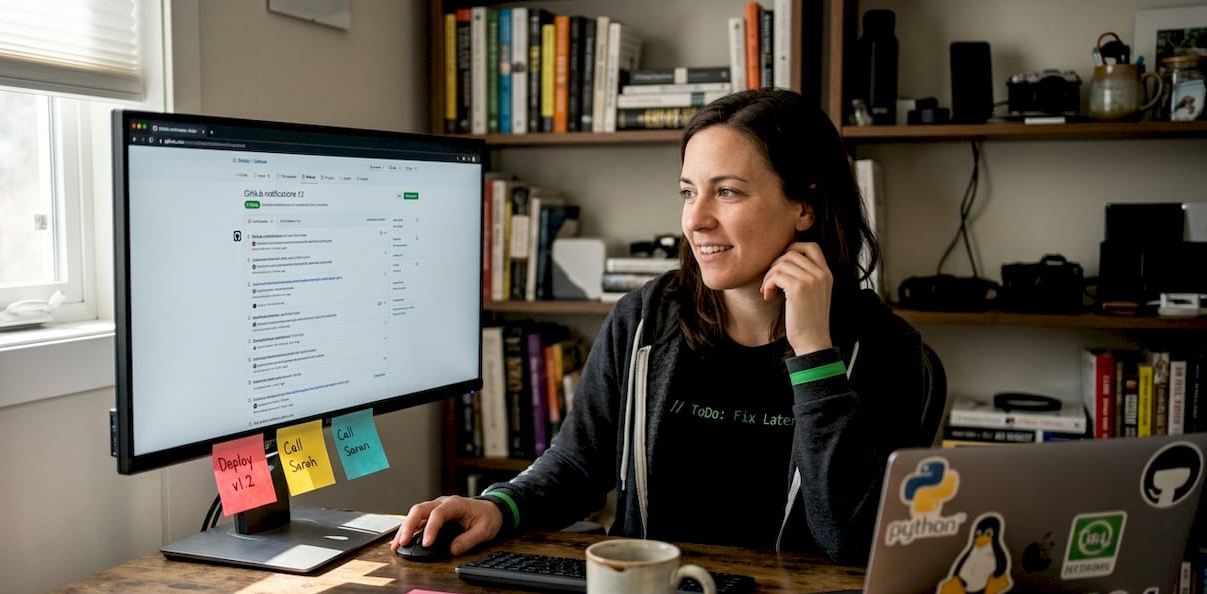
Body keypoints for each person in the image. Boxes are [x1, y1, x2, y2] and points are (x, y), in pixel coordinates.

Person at [394, 88, 926, 568]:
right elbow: (579, 463)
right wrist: (498, 506)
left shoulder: (886, 350)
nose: (696, 220)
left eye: (729, 192)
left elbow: (853, 540)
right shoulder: (647, 318)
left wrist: (813, 354)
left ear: (804, 205)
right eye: (688, 192)